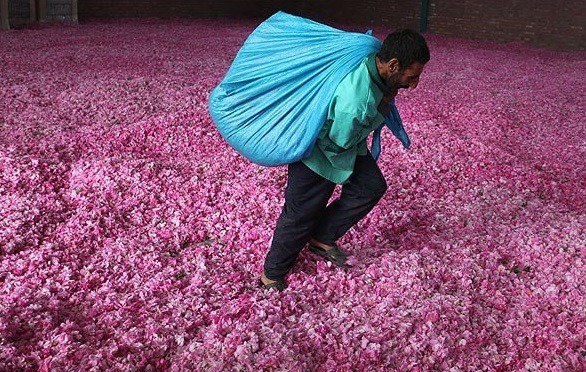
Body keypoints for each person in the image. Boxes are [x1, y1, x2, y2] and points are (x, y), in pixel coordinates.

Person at [261, 29, 430, 290]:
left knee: (370, 187)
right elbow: (341, 141)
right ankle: (272, 273)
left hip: (345, 144)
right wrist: (383, 104)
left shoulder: (370, 54)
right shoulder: (358, 102)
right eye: (412, 76)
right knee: (300, 214)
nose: (414, 84)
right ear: (393, 65)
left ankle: (321, 237)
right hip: (318, 152)